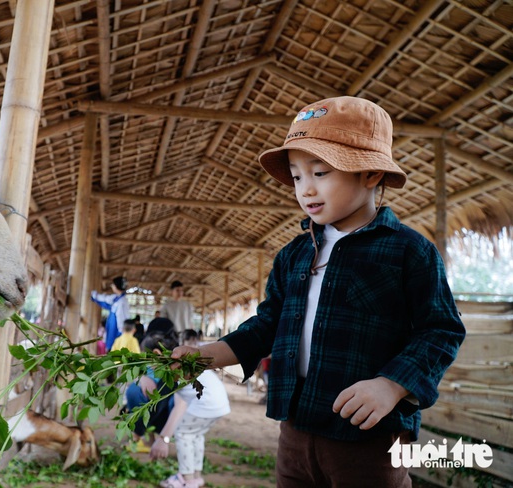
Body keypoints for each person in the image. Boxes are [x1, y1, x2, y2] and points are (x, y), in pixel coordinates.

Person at [171, 96, 466, 487]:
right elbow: (267, 325)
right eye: (296, 176)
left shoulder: (408, 251)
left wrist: (391, 384)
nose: (305, 189)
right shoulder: (293, 255)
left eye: (321, 172)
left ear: (371, 174)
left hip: (369, 437)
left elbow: (441, 330)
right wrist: (210, 354)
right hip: (295, 430)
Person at [151, 330, 230, 488]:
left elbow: (179, 407)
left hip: (208, 404)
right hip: (219, 404)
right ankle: (196, 477)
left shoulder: (173, 370)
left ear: (157, 353)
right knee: (196, 435)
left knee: (183, 433)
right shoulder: (183, 361)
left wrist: (163, 439)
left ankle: (187, 480)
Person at [125, 331, 179, 453]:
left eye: (145, 356)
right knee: (135, 392)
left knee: (133, 393)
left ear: (156, 354)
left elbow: (158, 406)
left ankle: (146, 437)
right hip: (157, 411)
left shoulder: (173, 376)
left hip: (170, 417)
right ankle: (146, 437)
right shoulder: (152, 369)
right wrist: (141, 378)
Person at [91, 276, 130, 351]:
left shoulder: (121, 302)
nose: (112, 286)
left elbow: (121, 321)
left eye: (113, 284)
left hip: (116, 333)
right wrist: (95, 296)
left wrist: (120, 335)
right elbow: (105, 299)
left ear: (116, 286)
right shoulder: (117, 299)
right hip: (113, 332)